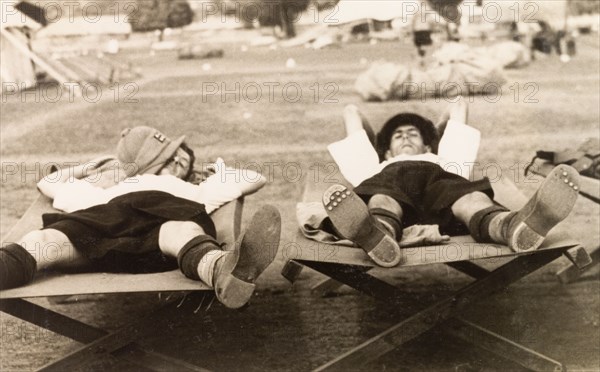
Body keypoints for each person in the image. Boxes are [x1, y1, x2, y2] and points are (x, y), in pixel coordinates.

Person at [0, 127, 281, 310]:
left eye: (182, 159)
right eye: (170, 159)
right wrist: (90, 167)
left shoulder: (196, 189)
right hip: (98, 232)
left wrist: (222, 173)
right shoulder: (102, 192)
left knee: (182, 230)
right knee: (43, 239)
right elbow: (49, 181)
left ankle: (220, 271)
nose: (179, 162)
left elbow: (254, 178)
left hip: (158, 238)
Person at [323, 101, 579, 267]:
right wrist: (377, 143)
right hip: (393, 196)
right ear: (387, 151)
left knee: (472, 198)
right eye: (398, 136)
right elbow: (351, 112)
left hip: (442, 192)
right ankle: (378, 235)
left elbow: (459, 104)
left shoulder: (447, 159)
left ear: (427, 144)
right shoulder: (373, 166)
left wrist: (434, 135)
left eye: (413, 133)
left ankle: (511, 228)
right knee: (381, 199)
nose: (405, 137)